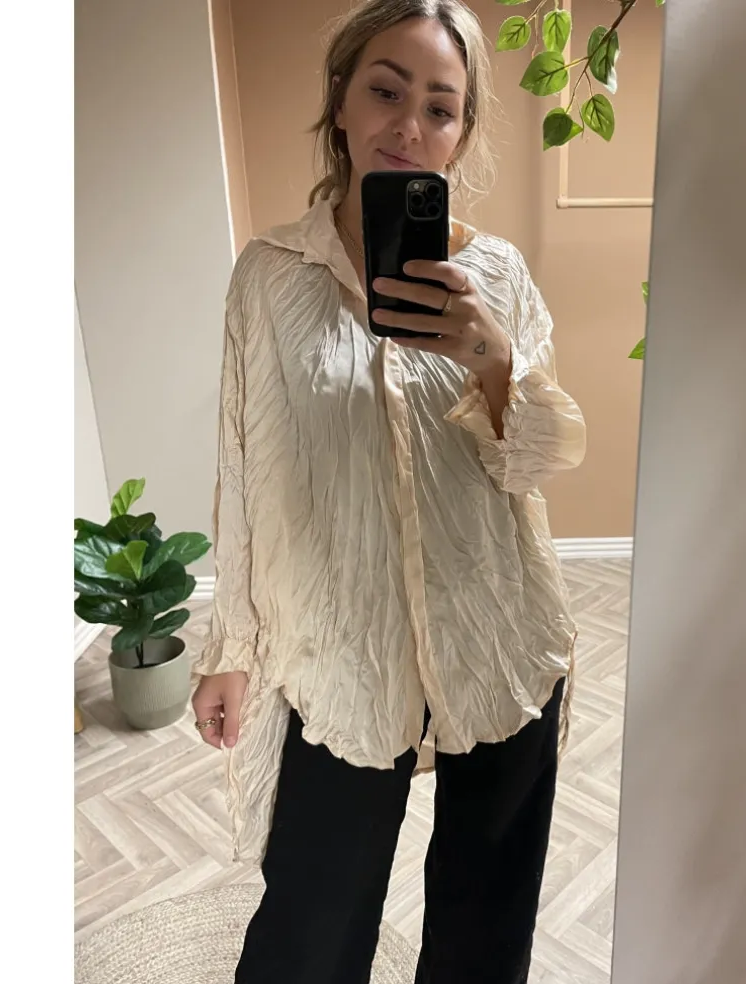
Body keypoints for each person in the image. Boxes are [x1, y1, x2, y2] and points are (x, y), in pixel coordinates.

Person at [189, 1, 587, 981]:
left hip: (497, 633)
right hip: (343, 652)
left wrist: (493, 358)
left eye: (440, 107)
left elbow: (537, 462)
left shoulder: (497, 274)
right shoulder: (269, 278)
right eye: (386, 91)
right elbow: (243, 467)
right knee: (310, 929)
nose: (409, 125)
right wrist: (231, 650)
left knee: (484, 931)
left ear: (462, 133)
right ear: (341, 102)